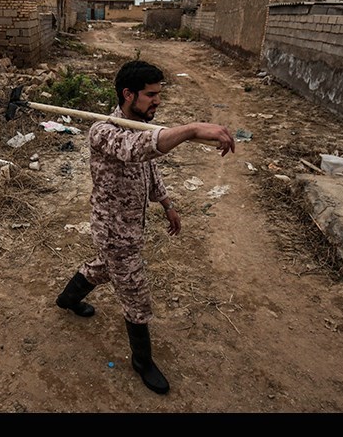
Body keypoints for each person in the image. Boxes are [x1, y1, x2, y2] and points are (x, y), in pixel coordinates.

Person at [55, 60, 235, 395]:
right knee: (135, 295)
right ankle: (142, 361)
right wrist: (192, 129)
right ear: (128, 94)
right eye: (151, 95)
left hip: (131, 227)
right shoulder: (103, 132)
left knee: (102, 268)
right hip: (113, 230)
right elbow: (136, 151)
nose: (158, 101)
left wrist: (167, 204)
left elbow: (149, 168)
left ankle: (67, 299)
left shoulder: (139, 126)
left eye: (158, 94)